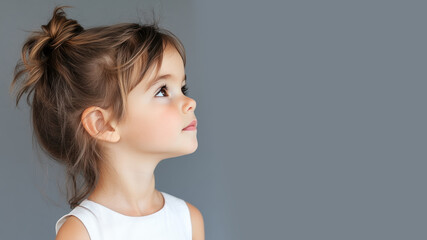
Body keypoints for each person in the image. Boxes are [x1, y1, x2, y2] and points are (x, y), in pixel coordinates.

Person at [9, 5, 204, 240]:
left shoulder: (189, 220)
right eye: (162, 91)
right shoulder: (82, 233)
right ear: (103, 124)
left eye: (182, 88)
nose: (190, 102)